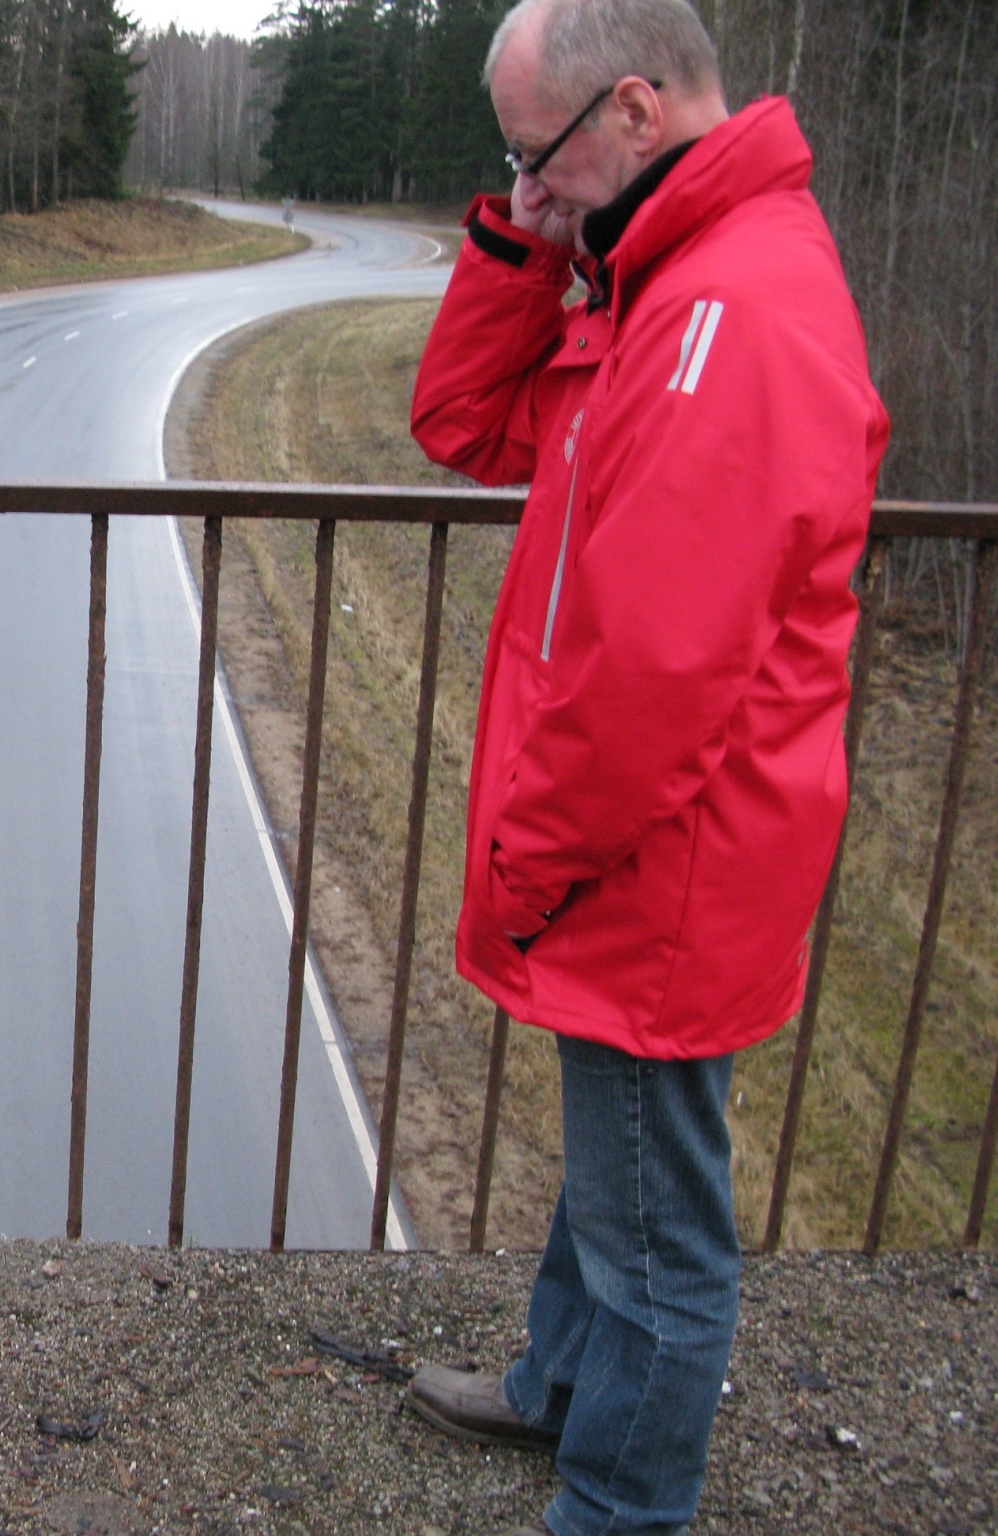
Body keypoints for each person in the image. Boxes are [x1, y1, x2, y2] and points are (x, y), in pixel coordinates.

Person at [403, 0, 889, 1532]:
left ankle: (620, 1505)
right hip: (656, 849)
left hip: (658, 860)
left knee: (662, 1239)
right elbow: (465, 420)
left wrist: (533, 860)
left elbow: (657, 676)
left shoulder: (725, 319)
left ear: (629, 110)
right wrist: (529, 233)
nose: (524, 189)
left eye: (534, 155)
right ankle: (558, 1382)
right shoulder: (658, 284)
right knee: (614, 1169)